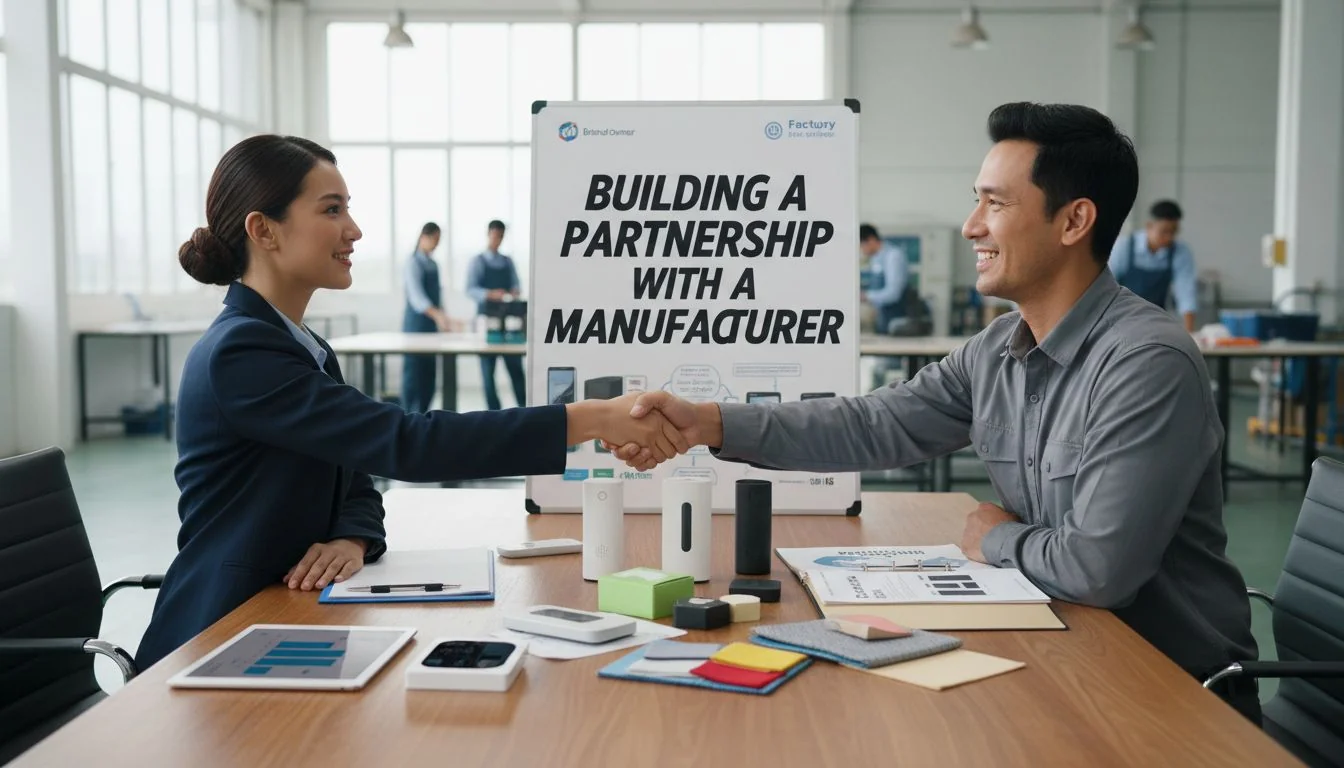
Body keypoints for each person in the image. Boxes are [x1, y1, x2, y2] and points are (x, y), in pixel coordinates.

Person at [613, 103, 1260, 724]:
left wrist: (994, 538)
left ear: (1073, 222)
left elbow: (1099, 570)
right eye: (976, 200)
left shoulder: (1145, 363)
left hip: (1169, 692)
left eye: (995, 203)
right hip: (1064, 653)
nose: (971, 225)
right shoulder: (997, 351)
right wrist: (710, 422)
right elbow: (873, 423)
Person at [136, 135, 687, 670]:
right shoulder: (242, 352)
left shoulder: (300, 346)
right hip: (217, 632)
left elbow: (354, 478)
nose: (353, 229)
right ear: (264, 230)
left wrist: (351, 538)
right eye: (331, 210)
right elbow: (409, 444)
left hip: (290, 614)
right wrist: (591, 417)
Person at [1109, 199, 1198, 332]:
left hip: (1156, 322)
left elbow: (1186, 293)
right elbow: (1106, 284)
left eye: (1173, 232)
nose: (1169, 237)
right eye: (1164, 231)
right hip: (1119, 320)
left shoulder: (1180, 252)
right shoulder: (1124, 247)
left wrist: (1190, 333)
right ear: (1149, 226)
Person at [466, 220, 527, 410]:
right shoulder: (477, 261)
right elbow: (470, 289)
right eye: (494, 236)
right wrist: (491, 294)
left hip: (508, 323)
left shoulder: (508, 262)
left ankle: (525, 408)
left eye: (500, 236)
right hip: (486, 321)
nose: (497, 240)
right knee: (488, 372)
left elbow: (516, 285)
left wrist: (513, 292)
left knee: (516, 369)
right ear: (488, 234)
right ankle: (494, 412)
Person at [401, 221, 451, 413]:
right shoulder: (412, 262)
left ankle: (423, 416)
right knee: (414, 375)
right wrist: (438, 315)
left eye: (439, 241)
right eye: (434, 240)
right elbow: (417, 298)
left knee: (429, 375)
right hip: (415, 325)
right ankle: (407, 416)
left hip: (431, 326)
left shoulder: (433, 264)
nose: (436, 245)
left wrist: (444, 316)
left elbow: (438, 296)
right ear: (424, 237)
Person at [859, 223, 911, 334]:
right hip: (882, 318)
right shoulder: (876, 259)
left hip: (895, 318)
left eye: (861, 245)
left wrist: (866, 296)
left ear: (871, 240)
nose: (861, 250)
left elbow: (893, 293)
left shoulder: (893, 256)